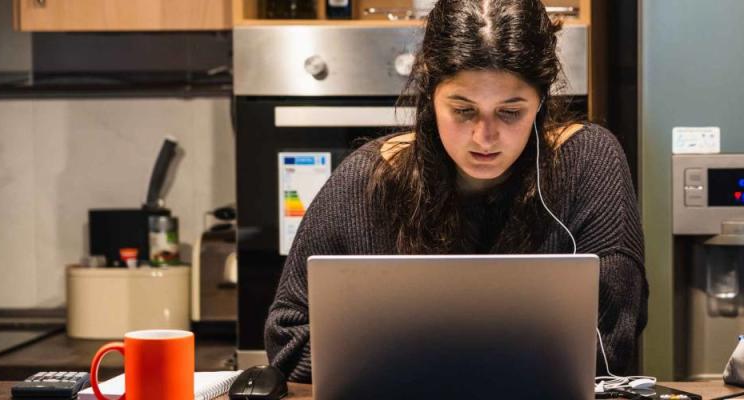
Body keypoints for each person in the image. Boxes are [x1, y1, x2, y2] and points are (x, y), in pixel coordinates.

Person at [265, 0, 648, 382]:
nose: (485, 137)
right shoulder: (367, 180)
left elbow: (609, 343)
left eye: (510, 112)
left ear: (541, 101)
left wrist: (404, 356)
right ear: (431, 96)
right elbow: (288, 339)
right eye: (463, 111)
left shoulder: (589, 164)